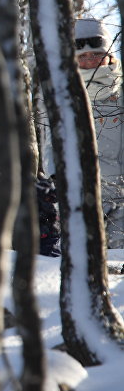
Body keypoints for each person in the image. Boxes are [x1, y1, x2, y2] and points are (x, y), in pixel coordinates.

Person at [75, 18, 124, 248]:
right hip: (85, 195)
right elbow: (51, 146)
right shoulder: (66, 95)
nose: (90, 61)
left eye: (95, 54)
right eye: (82, 57)